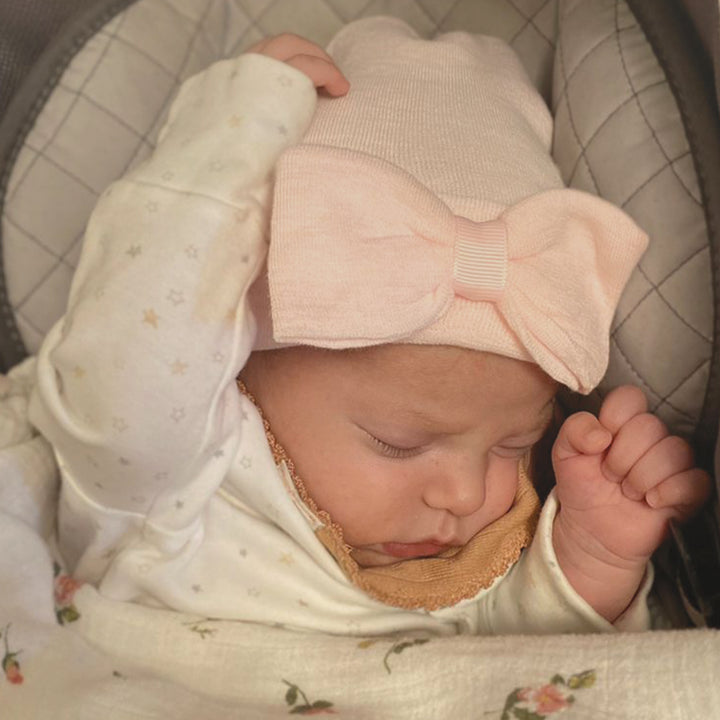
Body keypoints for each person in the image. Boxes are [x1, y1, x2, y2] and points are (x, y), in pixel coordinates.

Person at [29, 17, 710, 636]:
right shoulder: (172, 472)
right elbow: (135, 356)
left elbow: (519, 659)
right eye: (398, 442)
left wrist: (593, 554)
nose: (467, 493)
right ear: (239, 363)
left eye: (514, 445)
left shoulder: (489, 531)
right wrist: (224, 146)